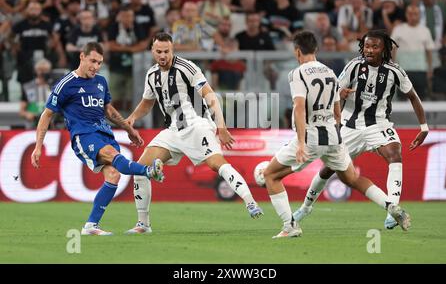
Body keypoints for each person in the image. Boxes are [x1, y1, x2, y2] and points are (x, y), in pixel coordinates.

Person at [263, 31, 411, 239]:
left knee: (270, 175)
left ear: (297, 51)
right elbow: (336, 108)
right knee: (352, 178)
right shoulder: (330, 72)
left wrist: (301, 144)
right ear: (315, 49)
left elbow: (299, 108)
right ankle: (390, 205)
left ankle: (290, 226)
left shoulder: (297, 73)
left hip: (312, 137)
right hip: (334, 137)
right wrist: (338, 129)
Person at [125, 32, 263, 234]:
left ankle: (250, 202)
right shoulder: (151, 75)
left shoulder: (187, 67)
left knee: (217, 165)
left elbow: (210, 96)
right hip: (172, 131)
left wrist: (221, 126)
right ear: (152, 51)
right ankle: (143, 224)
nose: (163, 55)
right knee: (140, 170)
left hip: (196, 126)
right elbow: (147, 102)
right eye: (159, 51)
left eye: (167, 51)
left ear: (172, 50)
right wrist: (132, 118)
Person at [293, 30, 428, 230]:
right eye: (366, 46)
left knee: (394, 153)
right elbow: (332, 92)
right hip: (350, 125)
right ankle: (305, 207)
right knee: (329, 168)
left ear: (384, 49)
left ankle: (393, 209)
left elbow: (413, 97)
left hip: (378, 124)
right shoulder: (354, 66)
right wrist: (341, 92)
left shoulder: (395, 71)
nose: (369, 50)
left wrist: (423, 127)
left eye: (375, 47)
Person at [31, 42, 161, 236]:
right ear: (82, 57)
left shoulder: (100, 81)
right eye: (92, 61)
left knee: (113, 175)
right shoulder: (66, 84)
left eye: (99, 63)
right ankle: (149, 171)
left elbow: (108, 110)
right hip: (83, 135)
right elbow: (46, 115)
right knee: (112, 154)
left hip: (103, 132)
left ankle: (90, 226)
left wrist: (128, 129)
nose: (96, 66)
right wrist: (38, 146)